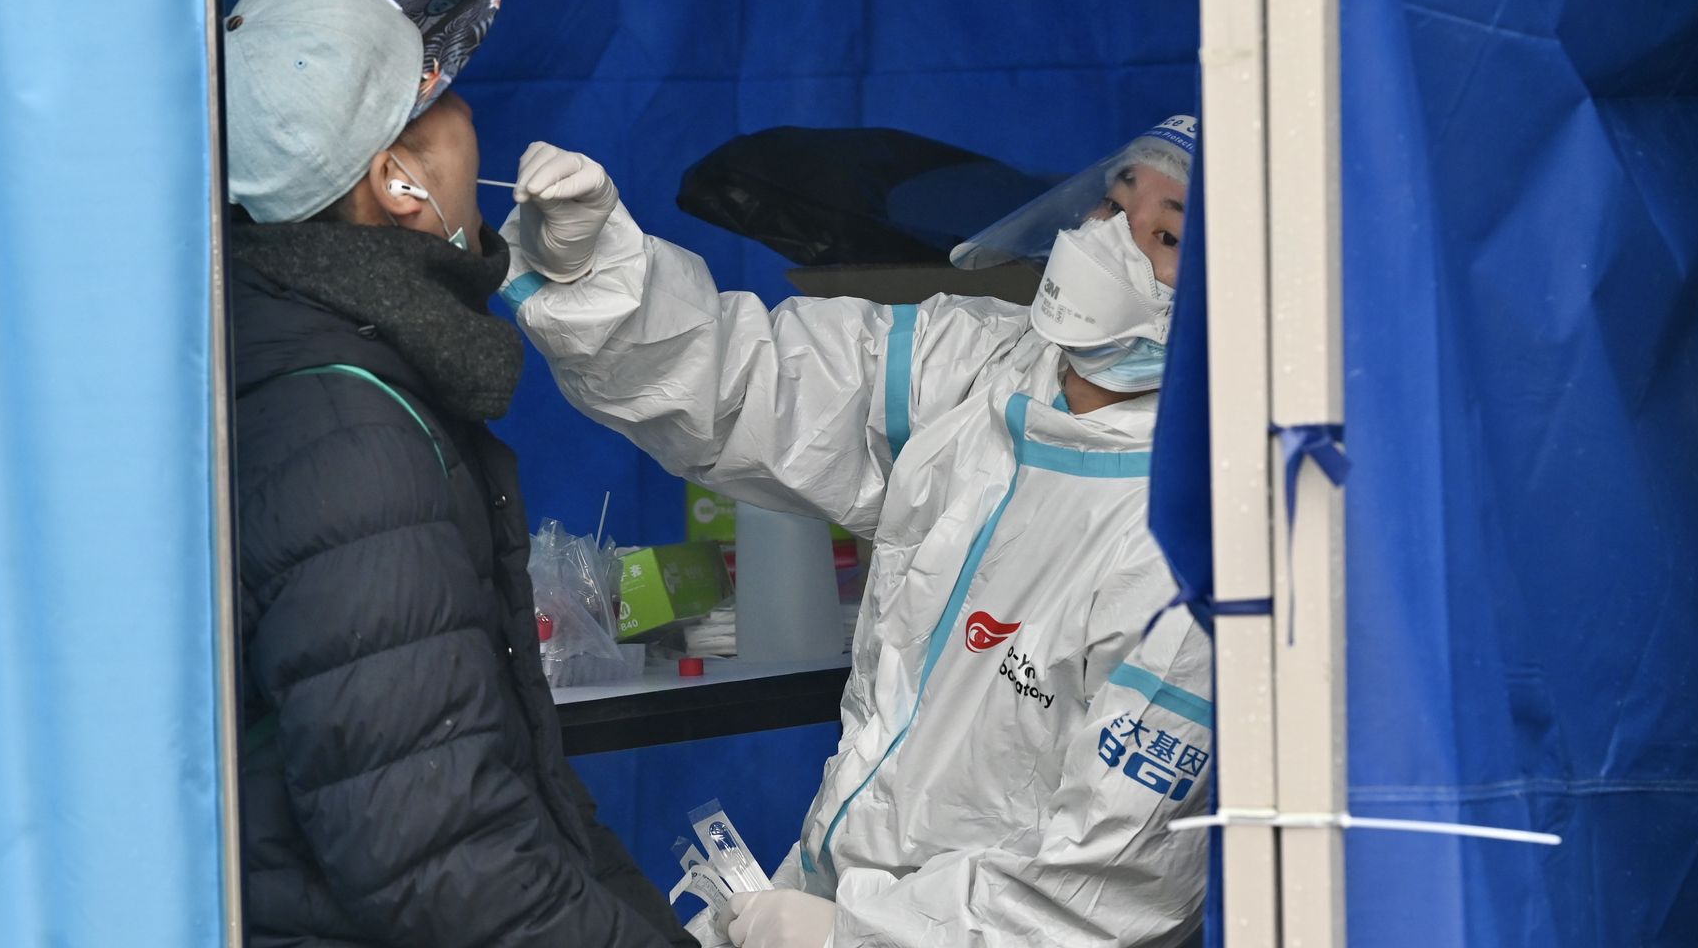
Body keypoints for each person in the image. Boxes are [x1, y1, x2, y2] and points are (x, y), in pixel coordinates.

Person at [498, 117, 1211, 946]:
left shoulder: (1190, 540)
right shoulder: (977, 369)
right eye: (1111, 206)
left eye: (1164, 235)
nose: (1111, 244)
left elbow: (1105, 892)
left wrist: (852, 935)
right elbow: (748, 380)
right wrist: (598, 274)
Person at [222, 0, 693, 948]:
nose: (472, 116)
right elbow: (445, 861)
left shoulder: (334, 360)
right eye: (441, 101)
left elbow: (520, 808)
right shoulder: (351, 447)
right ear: (396, 182)